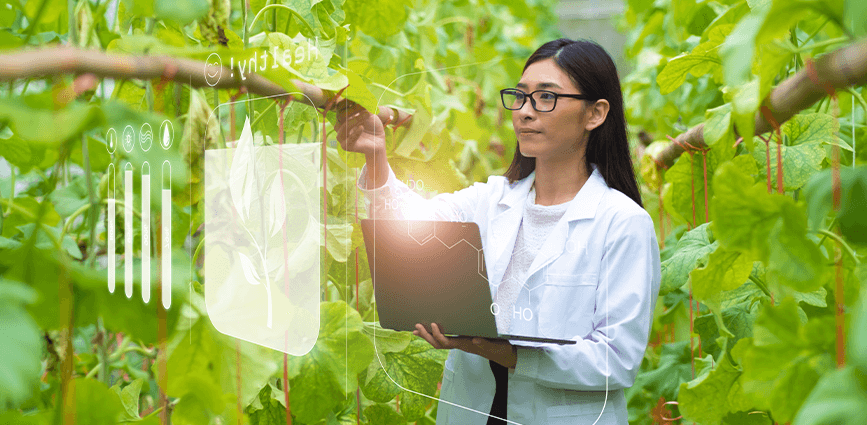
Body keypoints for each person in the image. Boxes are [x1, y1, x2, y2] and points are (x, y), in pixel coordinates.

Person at [334, 38, 661, 425]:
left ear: (595, 113)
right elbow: (408, 231)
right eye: (520, 97)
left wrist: (506, 352)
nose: (524, 112)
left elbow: (615, 361)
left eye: (546, 98)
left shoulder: (622, 223)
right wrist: (376, 161)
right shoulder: (489, 200)